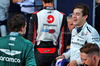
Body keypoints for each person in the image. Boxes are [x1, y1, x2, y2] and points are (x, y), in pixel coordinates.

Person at [28, 0, 67, 65]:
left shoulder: (36, 15)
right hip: (54, 53)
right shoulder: (62, 16)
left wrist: (30, 57)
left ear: (42, 0)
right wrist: (61, 57)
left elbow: (31, 39)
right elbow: (62, 41)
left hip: (39, 53)